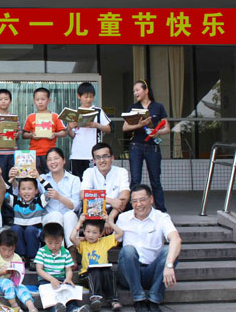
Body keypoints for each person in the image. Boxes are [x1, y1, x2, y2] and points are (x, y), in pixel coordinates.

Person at [117, 184, 181, 312]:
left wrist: (169, 265)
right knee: (128, 250)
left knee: (169, 251)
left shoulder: (161, 217)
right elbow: (114, 240)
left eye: (142, 200)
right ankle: (139, 299)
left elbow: (175, 239)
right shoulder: (123, 218)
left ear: (151, 199)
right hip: (129, 273)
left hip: (151, 272)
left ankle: (154, 299)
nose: (138, 204)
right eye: (134, 201)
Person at [123, 80, 171, 212]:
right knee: (135, 180)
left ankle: (161, 210)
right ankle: (132, 210)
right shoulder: (133, 108)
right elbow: (125, 127)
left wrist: (157, 132)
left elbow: (167, 128)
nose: (135, 93)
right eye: (134, 91)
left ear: (146, 90)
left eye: (137, 90)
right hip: (136, 146)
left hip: (152, 147)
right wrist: (140, 124)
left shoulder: (158, 107)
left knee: (155, 180)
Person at [35, 223, 89, 312]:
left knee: (69, 295)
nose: (54, 246)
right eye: (50, 243)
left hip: (61, 279)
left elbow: (68, 269)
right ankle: (57, 311)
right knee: (50, 297)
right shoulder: (41, 252)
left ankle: (74, 311)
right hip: (46, 280)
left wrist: (68, 278)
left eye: (57, 243)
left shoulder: (65, 252)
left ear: (62, 239)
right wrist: (51, 279)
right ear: (44, 240)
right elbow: (39, 269)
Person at [70, 213, 124, 312]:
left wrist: (109, 221)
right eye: (88, 232)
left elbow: (120, 233)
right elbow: (72, 238)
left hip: (102, 275)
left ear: (100, 234)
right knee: (94, 271)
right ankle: (95, 298)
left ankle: (113, 300)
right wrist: (80, 222)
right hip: (86, 275)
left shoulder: (104, 241)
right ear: (84, 232)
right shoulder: (83, 244)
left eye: (95, 232)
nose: (90, 235)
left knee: (108, 272)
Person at [40, 147, 81, 260]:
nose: (52, 162)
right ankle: (58, 253)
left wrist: (59, 197)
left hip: (69, 217)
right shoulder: (42, 179)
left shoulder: (74, 179)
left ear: (64, 160)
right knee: (55, 215)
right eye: (49, 159)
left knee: (69, 215)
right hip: (49, 217)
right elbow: (27, 193)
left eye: (56, 158)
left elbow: (75, 206)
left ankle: (72, 251)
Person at [66, 82, 112, 180]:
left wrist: (96, 125)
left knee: (94, 179)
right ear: (79, 96)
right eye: (86, 97)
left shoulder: (98, 111)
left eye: (91, 97)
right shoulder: (75, 113)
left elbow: (108, 129)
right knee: (77, 181)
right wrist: (69, 128)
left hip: (93, 153)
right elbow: (72, 135)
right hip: (77, 153)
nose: (88, 99)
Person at [80, 142, 130, 230]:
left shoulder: (121, 172)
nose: (102, 160)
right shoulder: (89, 172)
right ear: (94, 160)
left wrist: (110, 218)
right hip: (96, 209)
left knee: (127, 206)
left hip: (116, 210)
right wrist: (110, 201)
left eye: (105, 156)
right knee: (89, 206)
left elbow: (124, 196)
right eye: (98, 157)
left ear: (112, 158)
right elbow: (83, 195)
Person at [0, 229, 40, 312]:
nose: (7, 253)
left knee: (21, 287)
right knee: (8, 283)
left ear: (15, 247)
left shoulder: (17, 257)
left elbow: (20, 274)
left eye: (11, 250)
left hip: (12, 281)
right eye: (4, 249)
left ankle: (31, 307)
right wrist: (3, 272)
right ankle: (15, 306)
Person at [6, 168, 49, 262]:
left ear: (36, 191)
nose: (26, 192)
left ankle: (33, 258)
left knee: (30, 230)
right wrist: (11, 180)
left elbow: (50, 190)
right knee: (15, 229)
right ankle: (21, 257)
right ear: (19, 191)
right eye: (23, 189)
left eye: (30, 189)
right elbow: (3, 193)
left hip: (34, 231)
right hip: (20, 230)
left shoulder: (39, 201)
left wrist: (39, 178)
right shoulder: (16, 202)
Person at [22, 88, 67, 175]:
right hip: (34, 154)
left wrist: (54, 134)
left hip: (50, 154)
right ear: (34, 101)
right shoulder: (31, 117)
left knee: (50, 177)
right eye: (37, 99)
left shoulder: (55, 116)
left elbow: (64, 133)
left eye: (43, 99)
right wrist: (31, 135)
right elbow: (24, 134)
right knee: (34, 177)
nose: (40, 102)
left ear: (49, 100)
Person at [0, 89, 20, 178]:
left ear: (10, 101)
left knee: (12, 178)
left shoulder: (14, 117)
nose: (3, 101)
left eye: (6, 99)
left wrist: (16, 135)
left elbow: (18, 134)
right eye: (0, 99)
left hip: (12, 153)